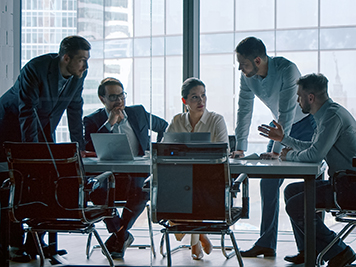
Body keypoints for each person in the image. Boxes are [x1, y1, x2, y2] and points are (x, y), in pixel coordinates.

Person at [0, 35, 91, 262]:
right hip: (10, 125)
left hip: (41, 126)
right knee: (16, 182)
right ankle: (13, 244)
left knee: (48, 180)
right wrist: (32, 152)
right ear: (66, 57)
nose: (86, 65)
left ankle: (36, 242)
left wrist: (77, 146)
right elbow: (26, 110)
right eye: (81, 59)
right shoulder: (36, 68)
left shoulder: (79, 74)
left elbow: (75, 108)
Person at [258, 73, 356, 266]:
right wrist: (283, 139)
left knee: (296, 205)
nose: (297, 100)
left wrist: (287, 155)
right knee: (291, 191)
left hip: (349, 187)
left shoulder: (331, 116)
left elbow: (314, 155)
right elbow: (312, 147)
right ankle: (307, 250)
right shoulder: (326, 113)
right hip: (343, 183)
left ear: (310, 98)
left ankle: (340, 251)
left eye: (299, 96)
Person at [231, 36, 316, 257]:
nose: (240, 68)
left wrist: (276, 151)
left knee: (308, 184)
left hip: (305, 125)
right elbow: (244, 109)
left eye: (244, 63)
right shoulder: (247, 78)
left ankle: (309, 250)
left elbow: (288, 110)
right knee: (268, 184)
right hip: (279, 127)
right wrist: (240, 146)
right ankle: (267, 243)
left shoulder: (288, 70)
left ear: (258, 60)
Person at [83, 77, 168, 258]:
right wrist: (110, 123)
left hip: (136, 173)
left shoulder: (138, 112)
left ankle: (119, 235)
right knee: (97, 191)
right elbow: (89, 147)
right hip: (108, 176)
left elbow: (164, 127)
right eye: (113, 97)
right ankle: (121, 235)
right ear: (102, 99)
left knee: (143, 189)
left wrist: (154, 150)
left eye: (122, 95)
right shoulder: (92, 120)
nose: (119, 101)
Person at [166, 77, 229, 260]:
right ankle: (199, 236)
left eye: (203, 96)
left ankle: (194, 241)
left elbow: (222, 153)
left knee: (192, 189)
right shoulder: (177, 120)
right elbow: (164, 149)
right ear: (185, 101)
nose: (201, 101)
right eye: (194, 97)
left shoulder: (216, 120)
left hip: (210, 181)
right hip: (183, 179)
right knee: (185, 187)